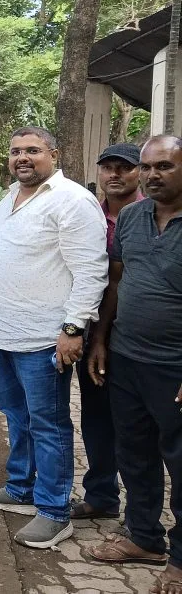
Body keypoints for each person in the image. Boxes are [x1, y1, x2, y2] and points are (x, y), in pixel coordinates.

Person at [0, 126, 107, 549]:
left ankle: (53, 510)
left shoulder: (72, 200)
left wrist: (72, 329)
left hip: (44, 337)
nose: (22, 158)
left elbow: (90, 270)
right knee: (16, 413)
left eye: (32, 150)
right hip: (0, 331)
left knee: (48, 424)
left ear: (54, 154)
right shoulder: (9, 197)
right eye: (15, 151)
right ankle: (20, 488)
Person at [84, 135, 182, 594]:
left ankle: (180, 559)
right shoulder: (132, 216)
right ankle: (143, 536)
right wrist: (101, 338)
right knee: (134, 453)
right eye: (147, 168)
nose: (152, 175)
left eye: (164, 166)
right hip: (126, 356)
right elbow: (116, 282)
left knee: (180, 462)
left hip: (175, 368)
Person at [73, 143, 142, 520]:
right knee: (97, 419)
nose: (114, 175)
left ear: (138, 173)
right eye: (108, 168)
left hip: (141, 336)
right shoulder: (88, 216)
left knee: (136, 426)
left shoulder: (152, 216)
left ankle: (143, 514)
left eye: (124, 168)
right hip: (93, 331)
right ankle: (101, 496)